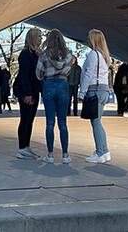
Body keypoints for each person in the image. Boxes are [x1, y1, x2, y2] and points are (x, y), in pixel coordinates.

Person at [35, 29, 73, 164]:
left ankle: (50, 155)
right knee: (63, 123)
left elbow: (38, 74)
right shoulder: (68, 55)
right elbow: (68, 71)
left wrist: (47, 75)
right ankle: (65, 155)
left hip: (49, 85)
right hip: (63, 85)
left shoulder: (44, 55)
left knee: (50, 122)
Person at [82, 29, 113, 163]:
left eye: (89, 38)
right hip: (104, 90)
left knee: (96, 122)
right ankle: (103, 150)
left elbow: (88, 74)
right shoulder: (105, 56)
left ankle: (101, 152)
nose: (87, 40)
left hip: (94, 90)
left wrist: (82, 92)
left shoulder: (93, 54)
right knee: (98, 121)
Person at [14, 27, 43, 159]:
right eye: (38, 37)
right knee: (25, 119)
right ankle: (21, 148)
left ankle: (26, 146)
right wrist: (28, 93)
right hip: (27, 91)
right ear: (32, 38)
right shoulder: (25, 54)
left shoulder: (36, 54)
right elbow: (24, 75)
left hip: (34, 90)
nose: (40, 39)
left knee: (30, 119)